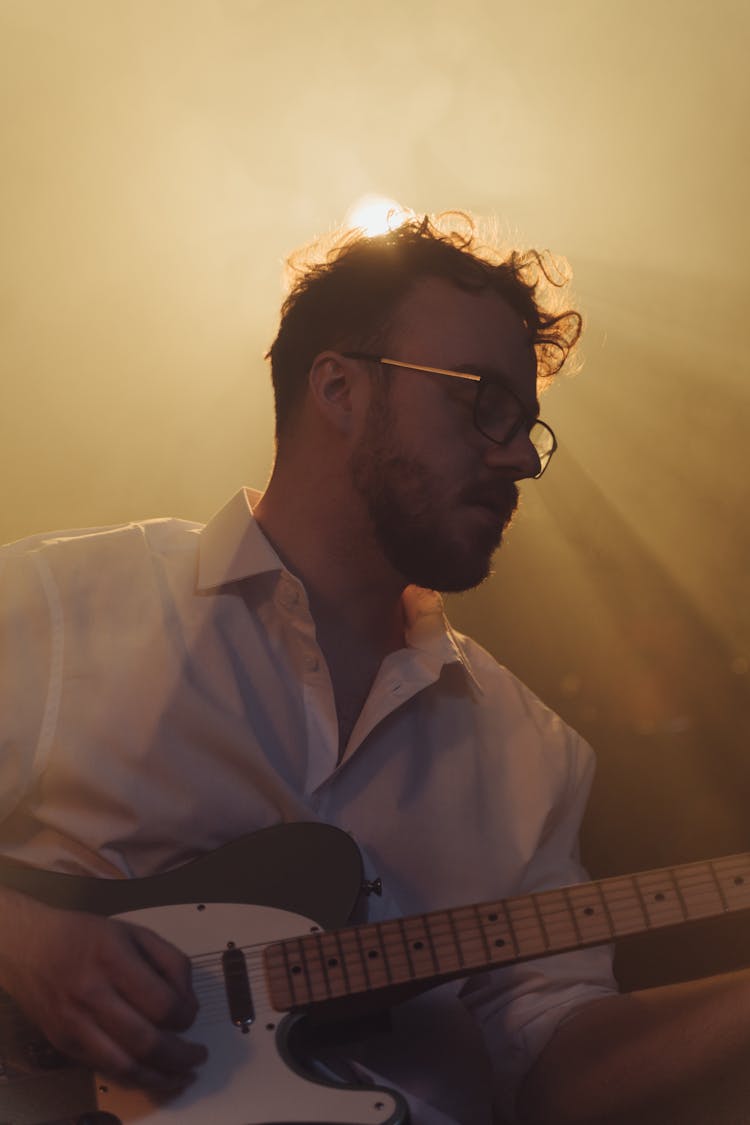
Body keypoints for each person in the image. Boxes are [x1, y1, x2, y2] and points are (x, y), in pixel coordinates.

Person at [1, 214, 750, 1125]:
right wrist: (24, 941)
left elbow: (552, 1070)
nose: (519, 457)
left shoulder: (536, 754)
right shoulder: (57, 605)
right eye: (484, 403)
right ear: (338, 386)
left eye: (527, 427)